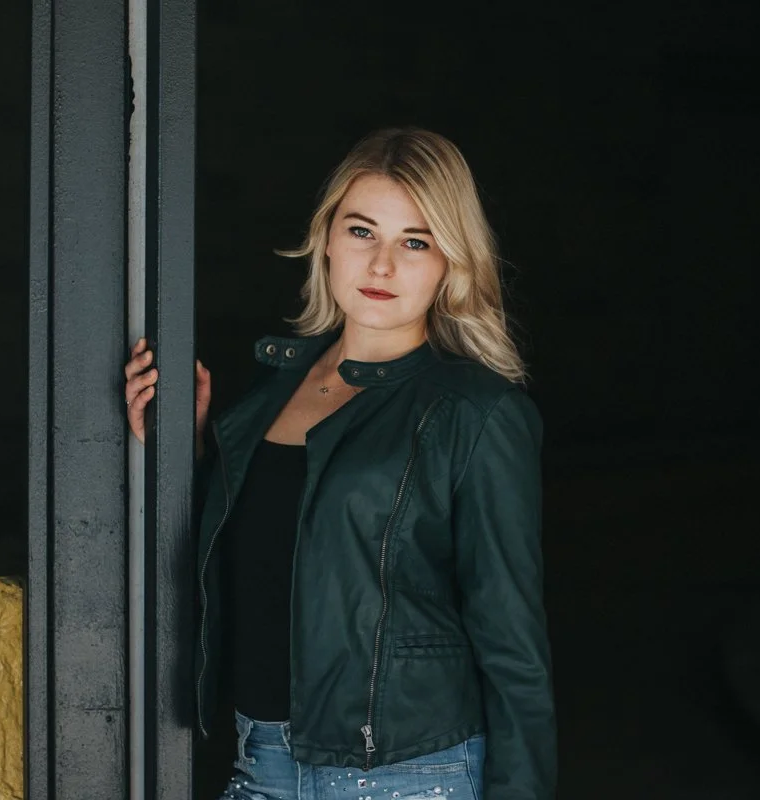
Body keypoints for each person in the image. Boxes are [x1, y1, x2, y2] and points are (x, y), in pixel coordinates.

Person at [123, 128, 555, 800]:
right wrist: (189, 451)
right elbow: (264, 560)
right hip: (260, 760)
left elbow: (512, 644)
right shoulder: (270, 395)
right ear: (326, 239)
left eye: (416, 241)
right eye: (362, 232)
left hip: (411, 775)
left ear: (451, 262)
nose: (382, 264)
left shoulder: (475, 413)